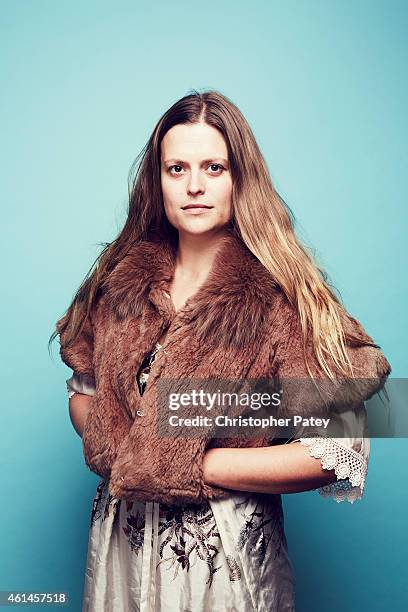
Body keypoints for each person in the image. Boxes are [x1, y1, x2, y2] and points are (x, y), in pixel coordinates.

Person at [50, 89, 391, 612]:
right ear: (157, 181)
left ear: (240, 178)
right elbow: (83, 396)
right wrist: (124, 443)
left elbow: (340, 454)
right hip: (123, 540)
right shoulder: (121, 286)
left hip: (221, 558)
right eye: (176, 168)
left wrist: (186, 462)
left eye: (213, 167)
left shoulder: (282, 301)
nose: (193, 187)